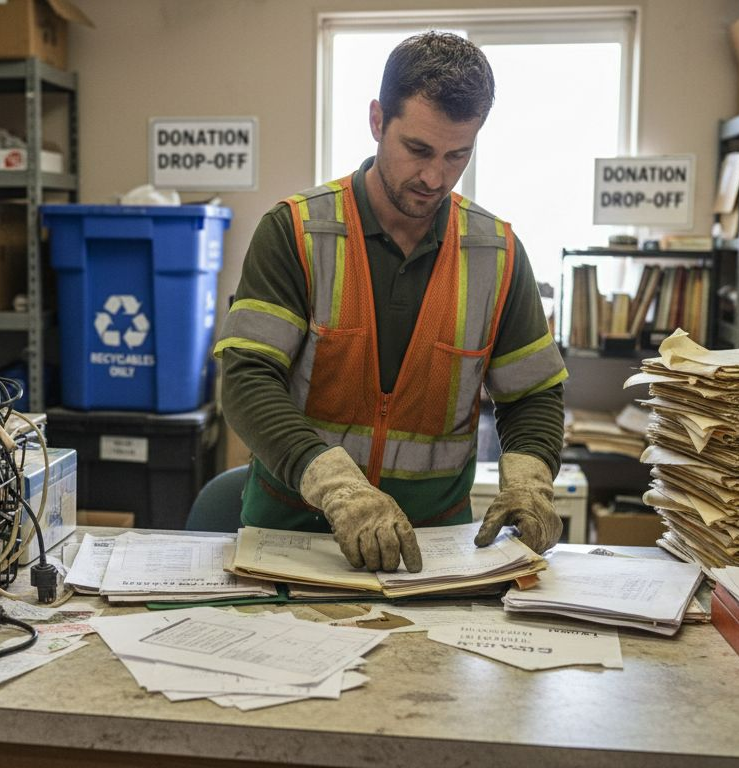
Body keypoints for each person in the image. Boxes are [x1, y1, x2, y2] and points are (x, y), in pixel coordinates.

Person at [212, 32, 567, 573]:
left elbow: (533, 394)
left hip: (432, 556)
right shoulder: (297, 232)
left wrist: (531, 481)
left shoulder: (498, 253)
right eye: (418, 150)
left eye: (458, 155)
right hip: (294, 541)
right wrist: (340, 491)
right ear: (378, 121)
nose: (434, 177)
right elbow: (245, 381)